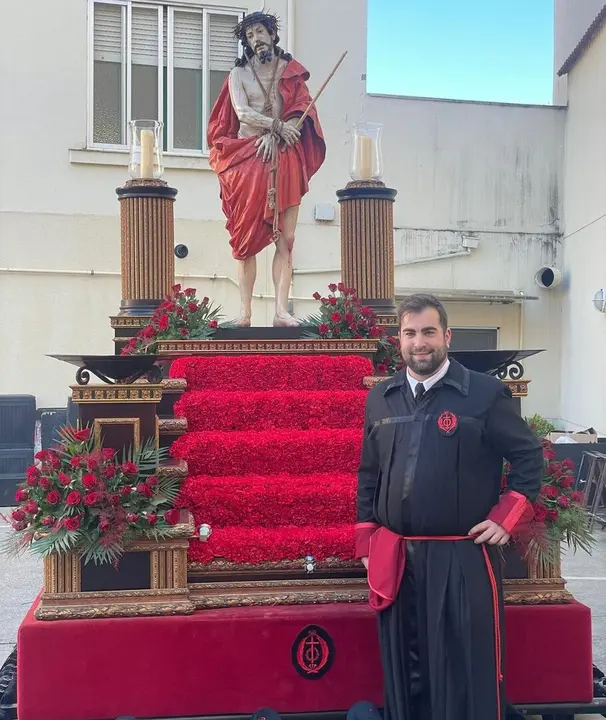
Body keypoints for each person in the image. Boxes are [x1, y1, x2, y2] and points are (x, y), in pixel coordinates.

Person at [355, 293, 544, 720]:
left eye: (428, 332)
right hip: (397, 557)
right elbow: (369, 474)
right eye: (409, 333)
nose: (419, 342)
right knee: (406, 662)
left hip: (461, 556)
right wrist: (367, 542)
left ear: (447, 336)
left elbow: (529, 455)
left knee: (464, 664)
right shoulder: (381, 398)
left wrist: (506, 517)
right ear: (398, 339)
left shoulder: (483, 394)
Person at [207, 11, 326, 328]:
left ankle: (281, 311)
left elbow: (301, 109)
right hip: (248, 158)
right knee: (244, 240)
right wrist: (274, 126)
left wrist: (283, 130)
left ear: (273, 35)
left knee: (286, 239)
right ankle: (245, 313)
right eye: (249, 36)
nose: (255, 39)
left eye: (260, 32)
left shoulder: (291, 72)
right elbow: (243, 114)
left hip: (284, 156)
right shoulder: (239, 76)